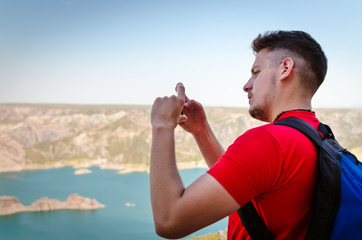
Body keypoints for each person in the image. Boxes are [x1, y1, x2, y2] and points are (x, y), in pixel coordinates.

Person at [150, 30, 328, 239]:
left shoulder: (270, 141)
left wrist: (161, 124)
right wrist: (201, 132)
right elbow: (247, 182)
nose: (247, 85)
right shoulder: (319, 137)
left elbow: (169, 221)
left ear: (285, 69)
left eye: (256, 72)